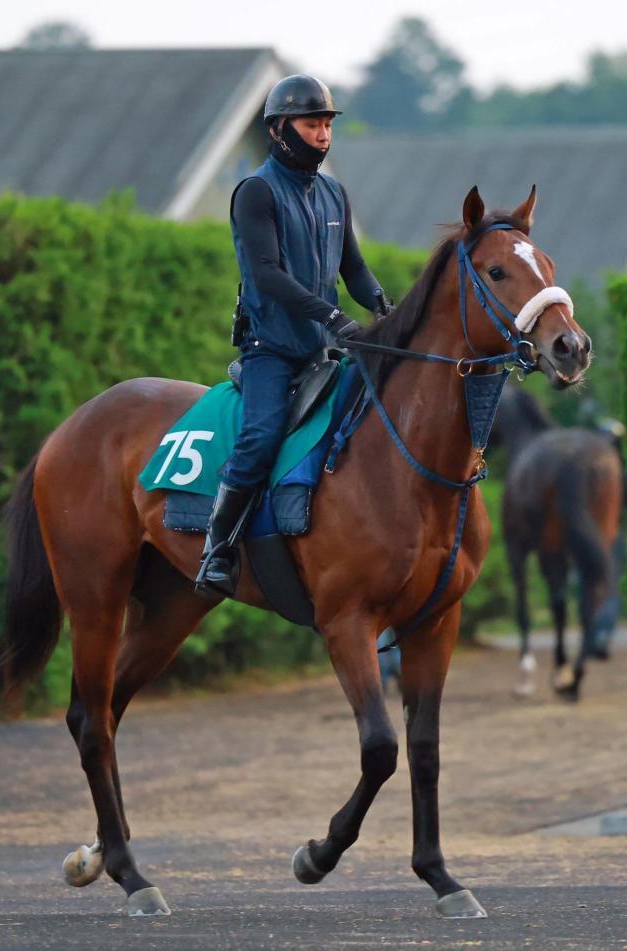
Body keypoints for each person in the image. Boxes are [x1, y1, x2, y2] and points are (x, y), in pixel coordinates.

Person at [196, 74, 391, 598]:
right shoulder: (255, 192)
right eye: (313, 124)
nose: (324, 135)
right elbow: (267, 276)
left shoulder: (334, 194)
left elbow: (355, 270)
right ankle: (217, 548)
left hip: (323, 354)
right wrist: (333, 317)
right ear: (281, 130)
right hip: (272, 351)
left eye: (328, 124)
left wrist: (381, 306)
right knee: (260, 437)